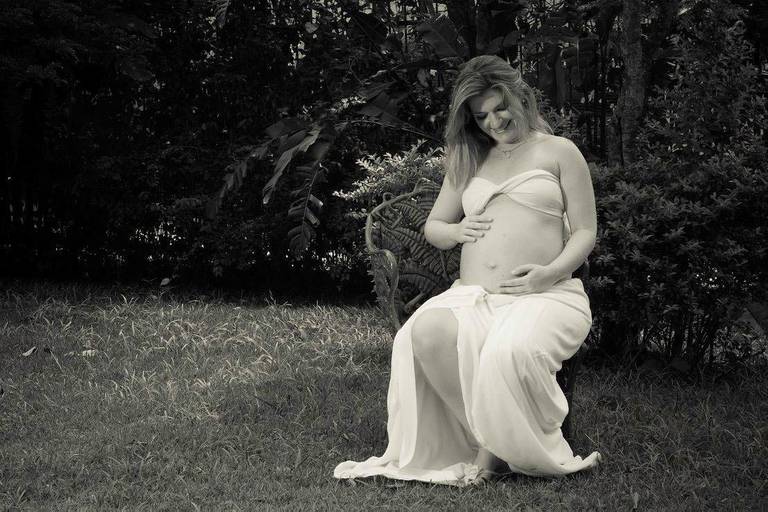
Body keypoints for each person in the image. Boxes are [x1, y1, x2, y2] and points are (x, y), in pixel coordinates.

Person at [334, 55, 601, 487]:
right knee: (424, 334)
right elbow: (435, 227)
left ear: (521, 96)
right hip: (473, 295)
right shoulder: (472, 158)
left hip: (545, 294)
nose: (494, 122)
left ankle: (493, 454)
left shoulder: (559, 152)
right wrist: (457, 230)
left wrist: (549, 274)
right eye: (481, 116)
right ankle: (489, 442)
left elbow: (586, 231)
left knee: (506, 352)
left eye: (500, 108)